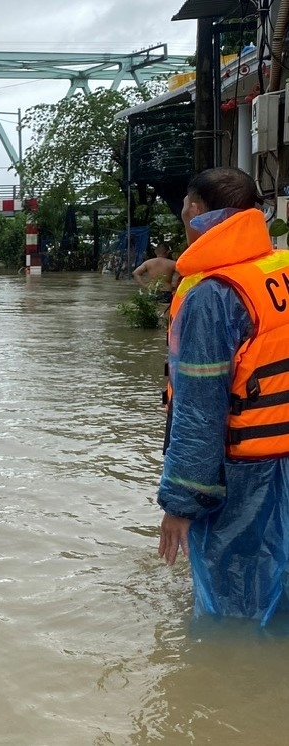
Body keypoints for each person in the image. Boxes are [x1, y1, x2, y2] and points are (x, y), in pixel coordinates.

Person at [157, 166, 289, 624]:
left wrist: (180, 504)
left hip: (244, 479)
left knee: (235, 612)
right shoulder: (281, 270)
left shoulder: (213, 296)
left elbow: (199, 414)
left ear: (194, 211)